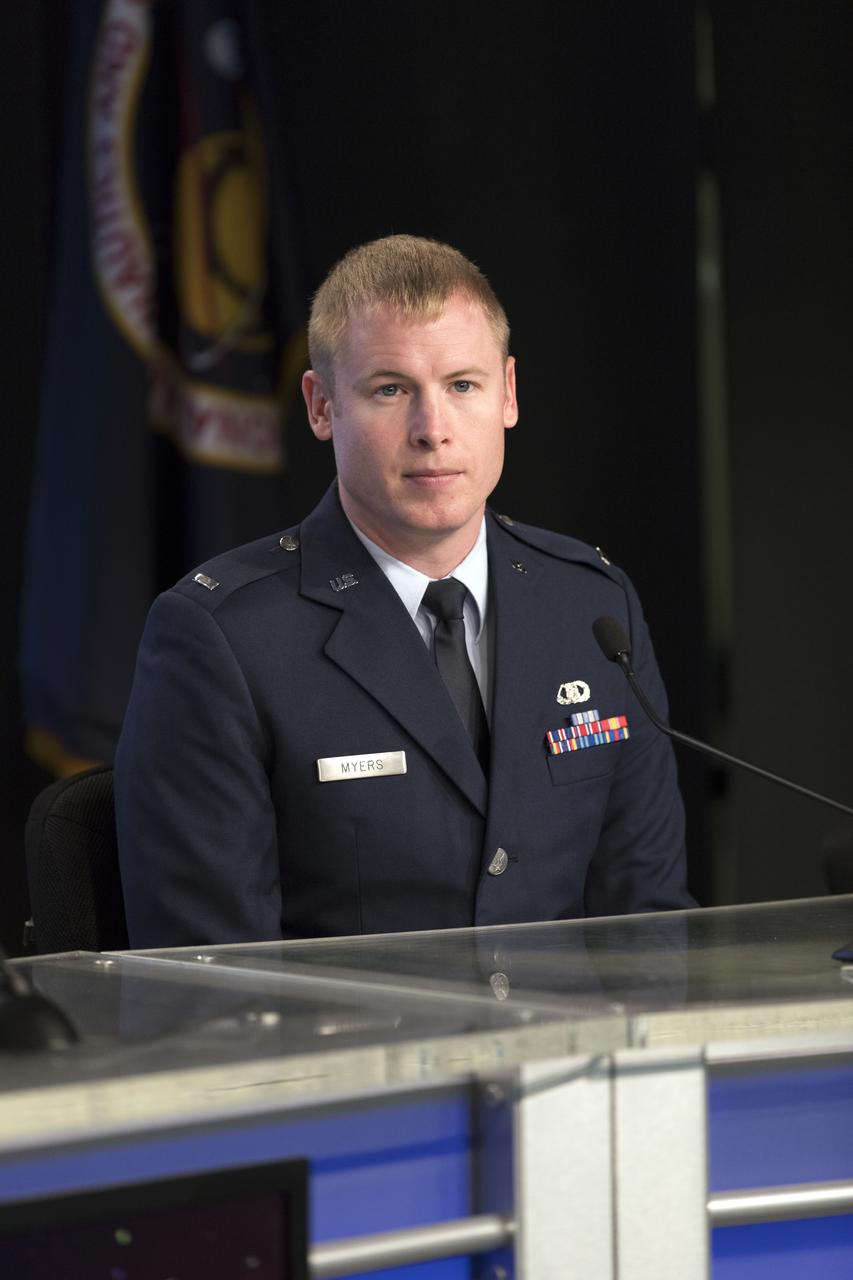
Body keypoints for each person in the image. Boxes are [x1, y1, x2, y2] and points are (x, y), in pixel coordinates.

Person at [116, 234, 692, 947]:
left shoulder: (591, 609)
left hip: (568, 1055)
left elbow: (649, 927)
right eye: (390, 389)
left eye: (462, 385)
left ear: (507, 394)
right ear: (321, 406)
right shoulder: (225, 638)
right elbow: (208, 982)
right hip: (344, 1057)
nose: (433, 430)